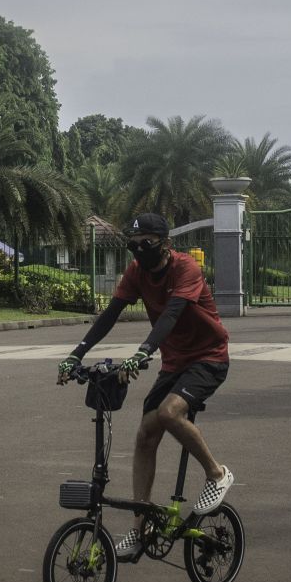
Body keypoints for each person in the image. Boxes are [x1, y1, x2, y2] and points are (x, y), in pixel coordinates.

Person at [56, 212, 234, 559]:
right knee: (144, 436)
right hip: (173, 362)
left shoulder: (185, 269)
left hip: (207, 357)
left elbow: (171, 313)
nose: (139, 250)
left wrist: (142, 352)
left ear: (165, 244)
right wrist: (76, 353)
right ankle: (139, 530)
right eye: (133, 244)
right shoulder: (136, 271)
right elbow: (111, 312)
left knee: (169, 413)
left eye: (146, 244)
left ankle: (217, 474)